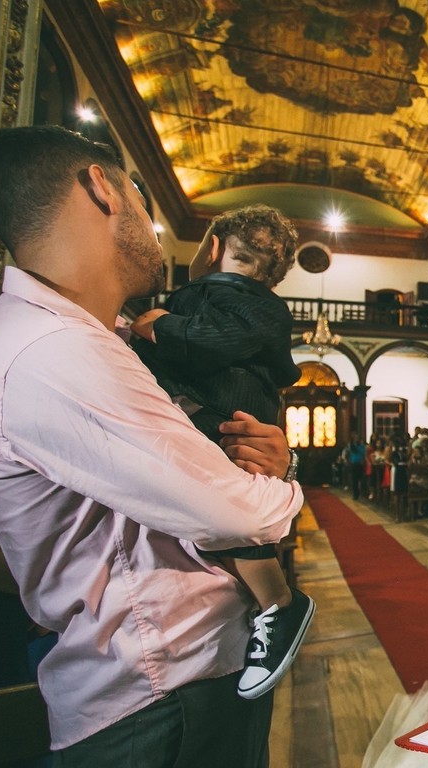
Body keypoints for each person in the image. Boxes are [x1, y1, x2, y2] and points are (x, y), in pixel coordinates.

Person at [0, 125, 301, 764]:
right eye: (139, 194)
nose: (154, 227)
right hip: (155, 692)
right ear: (102, 189)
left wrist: (264, 467)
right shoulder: (54, 350)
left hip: (190, 668)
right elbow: (236, 511)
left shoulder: (86, 339)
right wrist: (279, 483)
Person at [129, 203, 315, 700]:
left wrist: (158, 327)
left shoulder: (209, 297)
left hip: (223, 412)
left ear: (211, 248)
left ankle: (277, 600)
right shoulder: (256, 303)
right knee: (221, 498)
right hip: (213, 412)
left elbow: (212, 342)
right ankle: (271, 602)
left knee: (224, 497)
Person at [345, 432, 368, 499]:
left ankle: (362, 492)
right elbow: (348, 452)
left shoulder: (362, 446)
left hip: (360, 464)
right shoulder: (352, 445)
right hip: (354, 464)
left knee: (361, 479)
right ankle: (355, 494)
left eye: (357, 438)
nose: (357, 439)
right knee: (354, 480)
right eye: (355, 438)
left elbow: (363, 454)